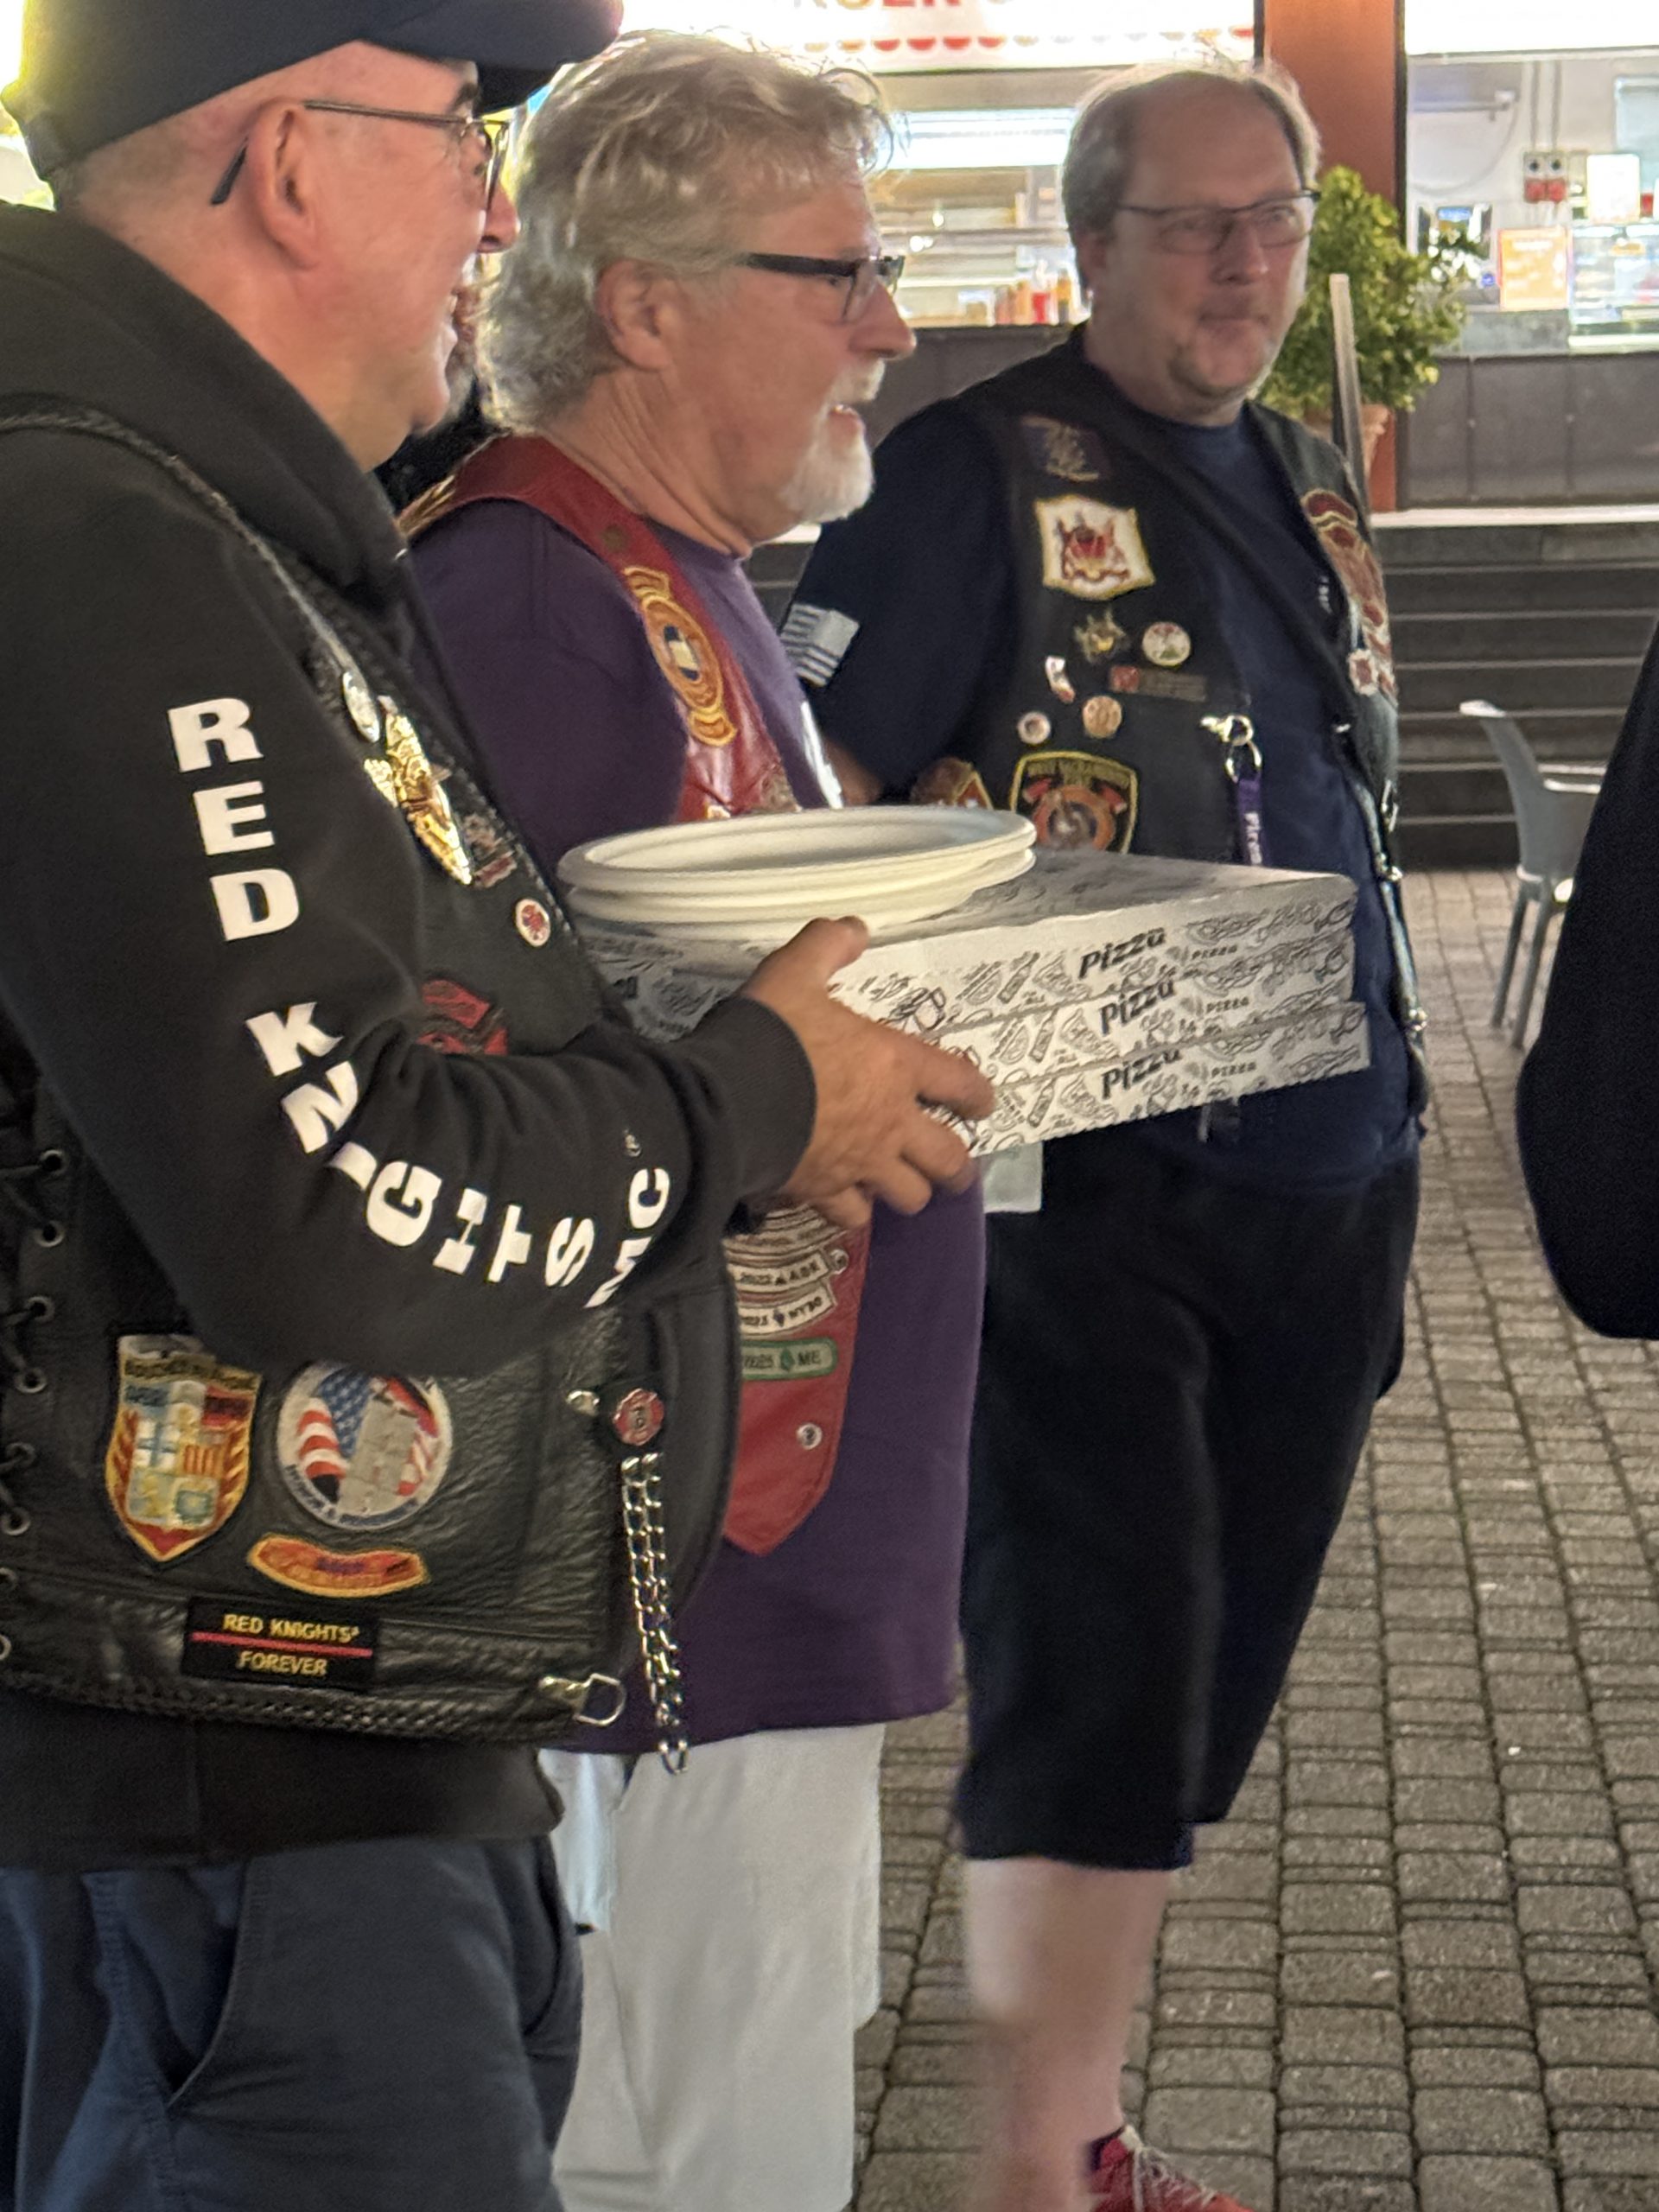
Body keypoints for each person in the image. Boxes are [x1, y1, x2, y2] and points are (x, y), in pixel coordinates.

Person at [0, 7, 993, 2210]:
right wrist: (761, 1095)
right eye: (464, 132)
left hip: (335, 1716)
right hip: (240, 1742)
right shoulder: (104, 527)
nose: (489, 206)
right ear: (288, 164)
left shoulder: (213, 517)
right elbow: (338, 1199)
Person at [791, 59, 1425, 2212]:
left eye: (1275, 221)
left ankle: (1080, 2119)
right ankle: (1036, 2161)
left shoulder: (1309, 471)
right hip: (1083, 1185)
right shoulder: (964, 471)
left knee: (1199, 1681)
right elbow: (819, 801)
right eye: (1193, 225)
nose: (1245, 263)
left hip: (1330, 1170)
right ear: (1093, 243)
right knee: (1099, 1667)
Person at [404, 35, 985, 2212]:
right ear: (643, 304)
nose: (891, 326)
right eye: (840, 273)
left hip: (730, 1568)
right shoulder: (537, 604)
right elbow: (498, 1131)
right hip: (660, 1596)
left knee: (732, 2110)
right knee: (674, 2145)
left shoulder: (652, 562)